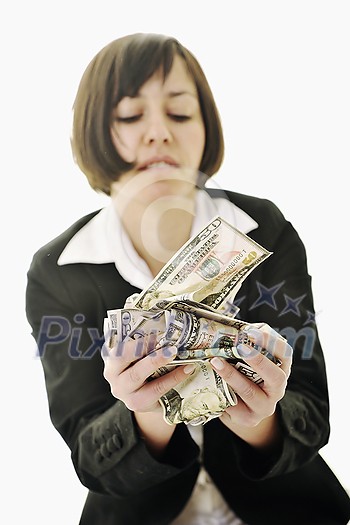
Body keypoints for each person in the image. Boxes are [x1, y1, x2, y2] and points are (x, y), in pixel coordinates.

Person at [25, 33, 350, 525]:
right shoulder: (58, 271)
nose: (158, 132)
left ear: (206, 129)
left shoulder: (263, 231)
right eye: (130, 116)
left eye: (179, 113)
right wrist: (145, 413)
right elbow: (89, 454)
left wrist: (263, 422)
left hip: (286, 506)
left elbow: (312, 409)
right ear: (92, 130)